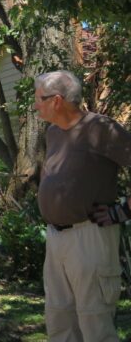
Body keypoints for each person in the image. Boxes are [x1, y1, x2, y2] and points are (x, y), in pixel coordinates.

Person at [35, 70, 131, 341]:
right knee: (59, 319)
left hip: (90, 236)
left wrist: (122, 211)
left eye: (39, 99)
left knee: (94, 322)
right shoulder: (53, 132)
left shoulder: (101, 129)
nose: (35, 106)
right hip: (56, 238)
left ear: (56, 101)